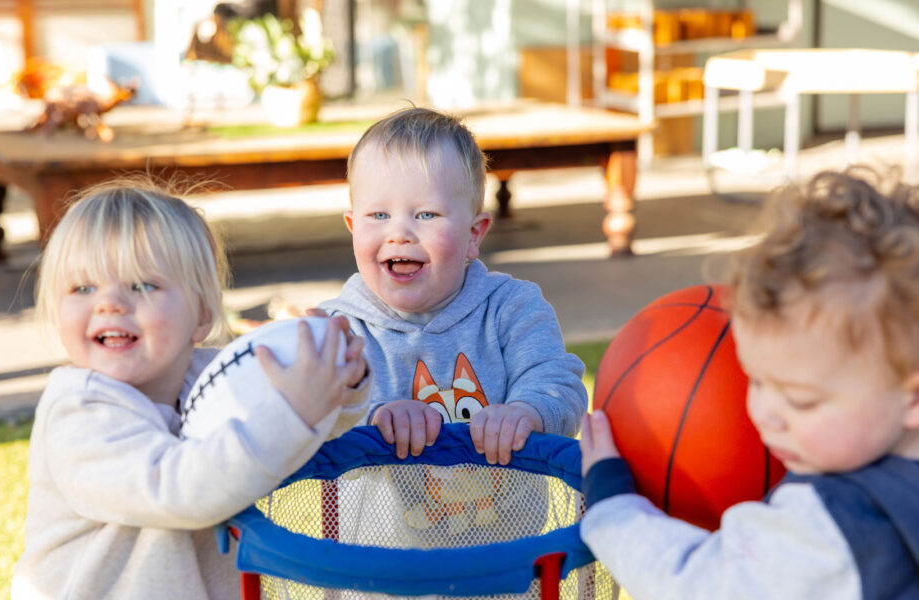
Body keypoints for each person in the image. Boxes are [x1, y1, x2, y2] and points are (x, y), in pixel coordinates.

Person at [11, 178, 369, 600]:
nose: (109, 304)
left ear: (201, 314)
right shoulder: (77, 413)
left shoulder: (211, 373)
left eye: (142, 285)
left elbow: (319, 428)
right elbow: (180, 488)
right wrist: (295, 412)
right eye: (83, 288)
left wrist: (339, 379)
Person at [579, 169, 919, 599]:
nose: (763, 415)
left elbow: (692, 581)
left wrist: (613, 507)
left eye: (801, 399)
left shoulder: (828, 528)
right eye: (755, 380)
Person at [320, 107, 587, 466]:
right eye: (379, 215)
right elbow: (309, 419)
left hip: (511, 524)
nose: (399, 233)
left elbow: (559, 383)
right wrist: (373, 416)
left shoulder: (511, 308)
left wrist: (528, 411)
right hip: (378, 524)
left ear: (473, 235)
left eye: (426, 214)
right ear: (353, 226)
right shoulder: (339, 330)